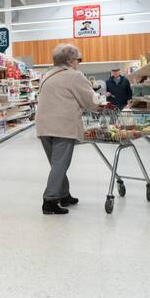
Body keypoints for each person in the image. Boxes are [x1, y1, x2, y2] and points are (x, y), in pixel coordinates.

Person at [35, 43, 106, 215]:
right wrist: (101, 102)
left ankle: (64, 195)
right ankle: (50, 200)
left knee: (57, 164)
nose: (79, 63)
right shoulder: (75, 75)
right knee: (60, 164)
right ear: (70, 60)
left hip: (43, 126)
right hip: (62, 126)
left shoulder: (47, 75)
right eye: (78, 59)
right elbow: (90, 101)